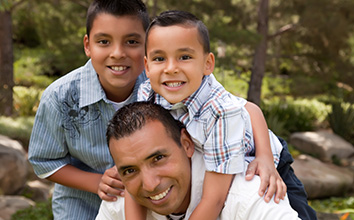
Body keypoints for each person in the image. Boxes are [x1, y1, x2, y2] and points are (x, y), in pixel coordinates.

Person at [136, 10, 317, 220]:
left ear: (208, 64)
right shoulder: (146, 94)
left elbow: (215, 199)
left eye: (184, 57)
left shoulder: (219, 110)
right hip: (216, 152)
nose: (171, 68)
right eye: (159, 58)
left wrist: (264, 156)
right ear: (147, 66)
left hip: (265, 157)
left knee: (292, 209)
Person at [27, 1, 149, 219]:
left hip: (147, 202)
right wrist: (96, 182)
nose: (118, 53)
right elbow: (44, 161)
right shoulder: (60, 96)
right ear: (87, 45)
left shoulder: (160, 91)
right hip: (82, 207)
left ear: (147, 45)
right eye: (104, 41)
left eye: (132, 41)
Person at [96, 101, 300, 220]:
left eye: (158, 158)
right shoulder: (119, 198)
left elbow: (250, 108)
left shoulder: (248, 195)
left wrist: (264, 156)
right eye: (130, 170)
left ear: (186, 144)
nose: (150, 184)